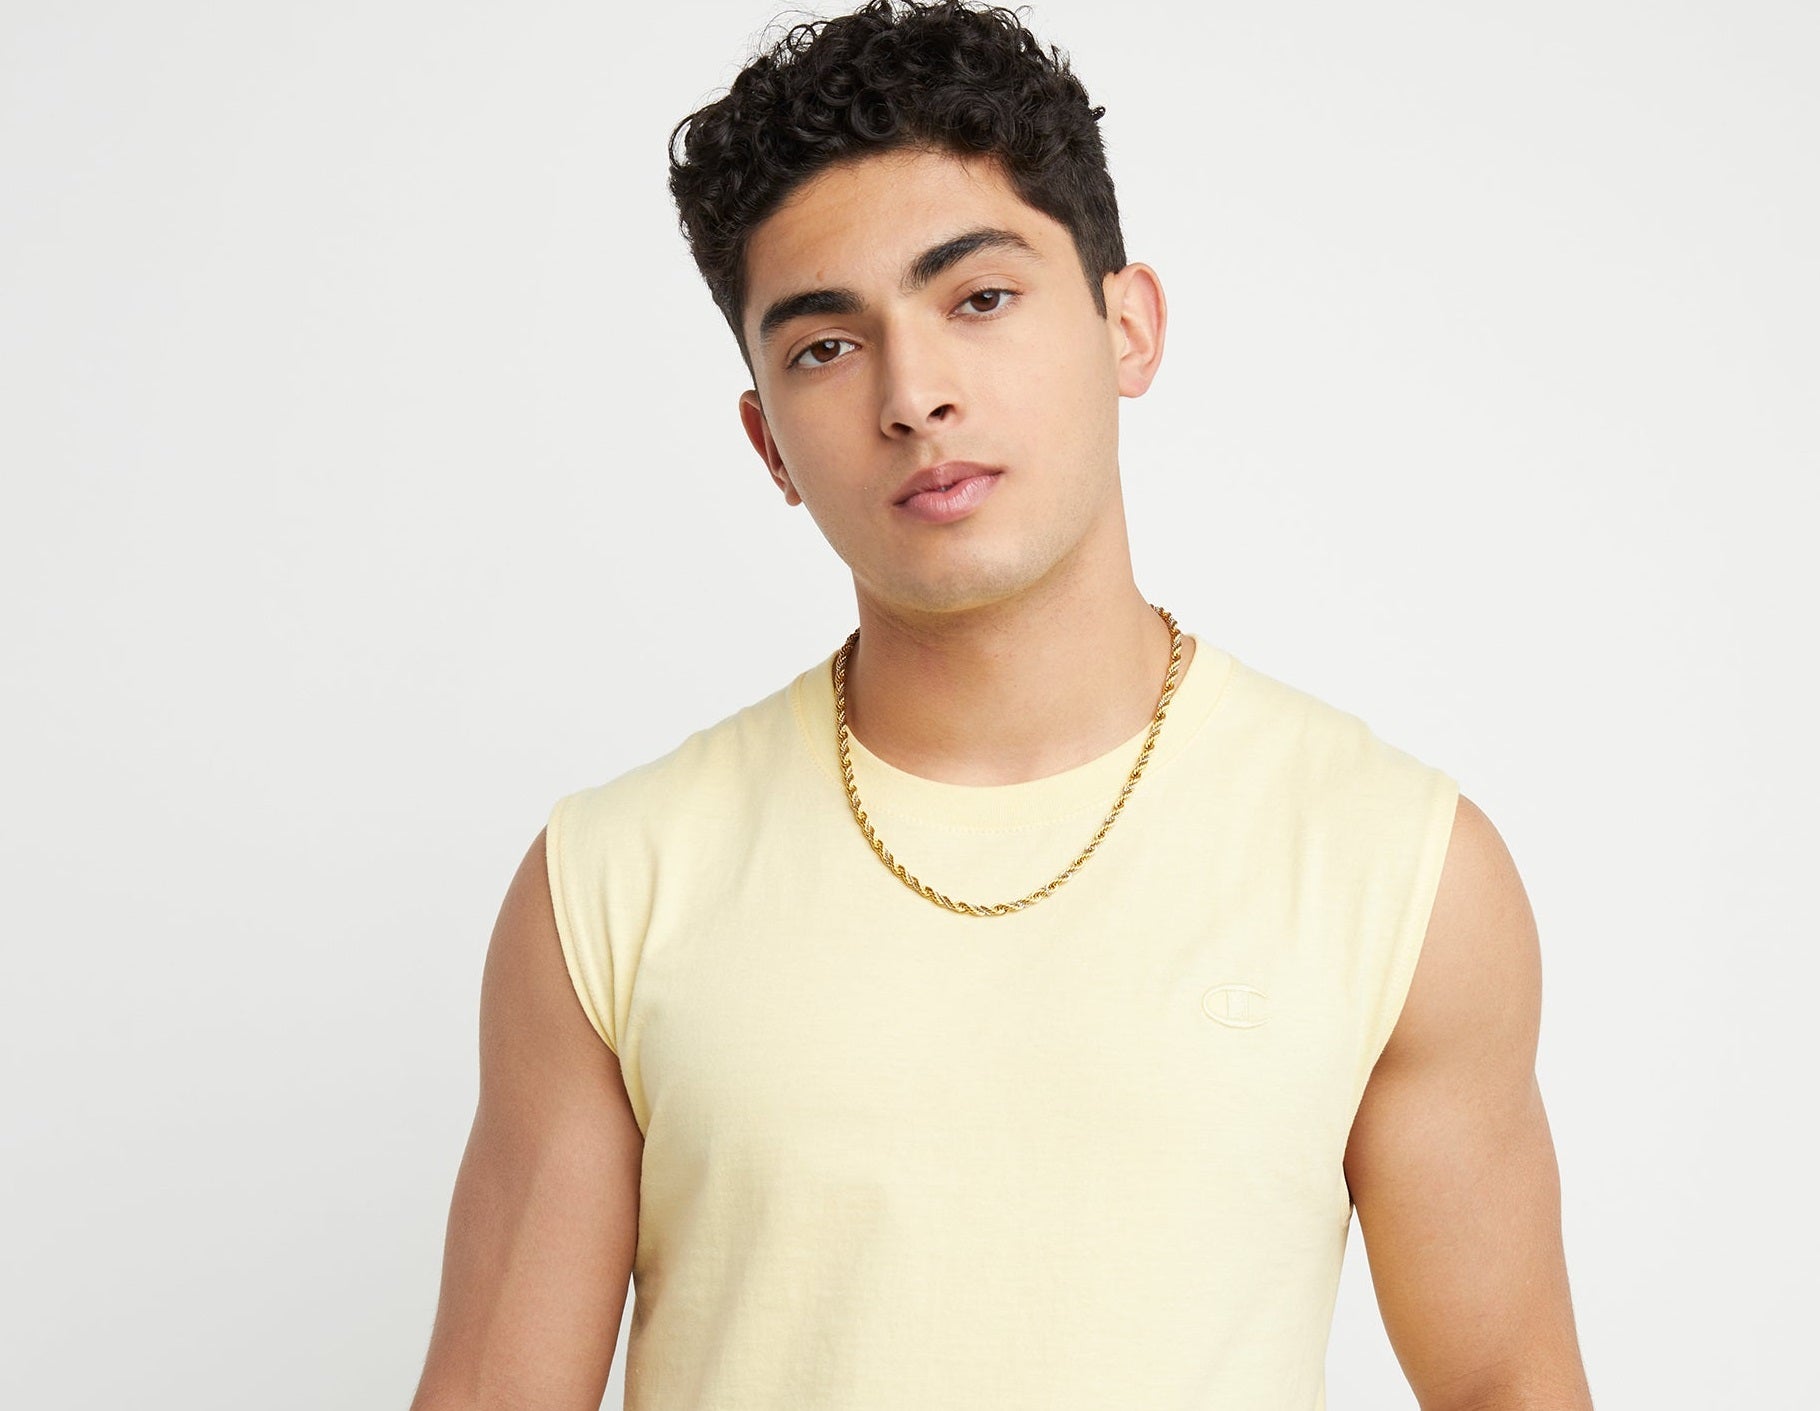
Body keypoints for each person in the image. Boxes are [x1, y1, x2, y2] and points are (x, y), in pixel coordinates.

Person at [410, 2, 1594, 1407]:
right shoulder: (609, 883)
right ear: (768, 444)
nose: (914, 396)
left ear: (1127, 326)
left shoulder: (1397, 864)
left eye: (978, 299)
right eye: (826, 346)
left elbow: (1506, 1384)